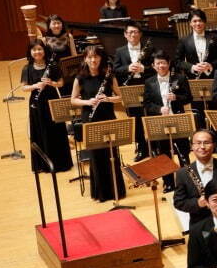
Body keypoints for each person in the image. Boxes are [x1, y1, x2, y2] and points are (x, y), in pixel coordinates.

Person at [70, 47, 126, 202]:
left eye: (96, 57)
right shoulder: (80, 78)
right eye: (90, 57)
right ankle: (100, 193)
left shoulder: (108, 76)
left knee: (111, 154)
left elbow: (120, 97)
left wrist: (107, 99)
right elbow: (73, 100)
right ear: (85, 59)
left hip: (107, 116)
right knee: (95, 156)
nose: (93, 60)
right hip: (90, 118)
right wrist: (88, 101)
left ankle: (116, 191)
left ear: (101, 59)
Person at [19, 40, 72, 173]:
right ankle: (42, 165)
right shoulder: (27, 68)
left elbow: (60, 83)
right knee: (40, 130)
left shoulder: (52, 65)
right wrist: (35, 86)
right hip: (36, 103)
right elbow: (23, 87)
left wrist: (51, 83)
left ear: (44, 51)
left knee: (56, 129)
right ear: (30, 52)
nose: (37, 52)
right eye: (34, 50)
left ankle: (61, 163)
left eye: (40, 49)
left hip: (52, 100)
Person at [172, 128, 217, 222]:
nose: (202, 147)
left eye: (206, 143)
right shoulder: (183, 173)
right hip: (199, 224)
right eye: (198, 143)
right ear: (192, 147)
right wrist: (198, 203)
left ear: (214, 145)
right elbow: (178, 202)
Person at [141, 53, 192, 172]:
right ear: (153, 66)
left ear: (168, 63)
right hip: (160, 122)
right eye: (158, 63)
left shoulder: (180, 78)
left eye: (163, 62)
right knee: (163, 153)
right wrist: (159, 109)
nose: (161, 65)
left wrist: (176, 97)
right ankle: (168, 182)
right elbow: (146, 103)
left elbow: (189, 98)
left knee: (183, 151)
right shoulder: (149, 82)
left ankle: (187, 178)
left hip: (178, 120)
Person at [178, 11, 217, 79]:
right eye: (194, 21)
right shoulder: (184, 40)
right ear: (190, 23)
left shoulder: (215, 38)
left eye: (200, 20)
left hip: (213, 77)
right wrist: (192, 67)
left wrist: (211, 65)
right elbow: (178, 61)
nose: (198, 23)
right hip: (193, 78)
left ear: (204, 22)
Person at [112, 22, 150, 87]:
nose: (133, 35)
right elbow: (115, 70)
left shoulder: (149, 50)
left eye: (136, 32)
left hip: (146, 84)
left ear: (140, 34)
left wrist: (143, 68)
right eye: (130, 32)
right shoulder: (119, 51)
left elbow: (155, 68)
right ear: (125, 34)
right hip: (127, 85)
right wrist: (128, 68)